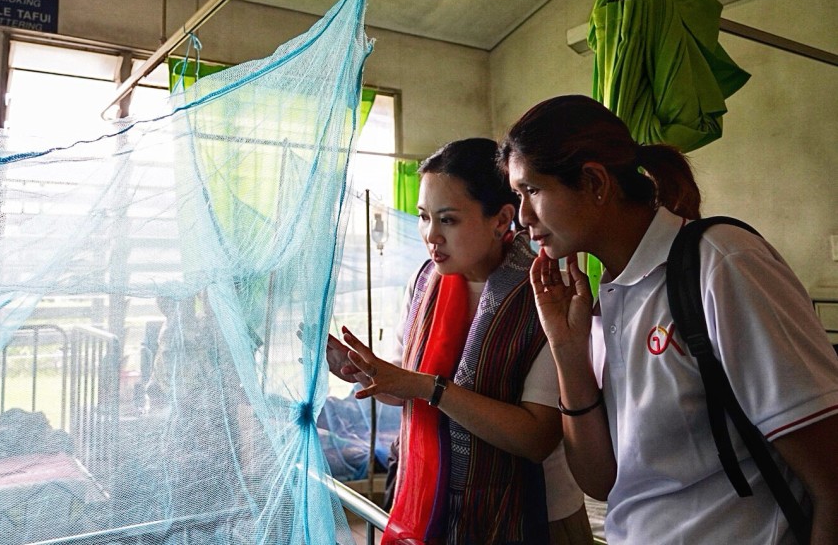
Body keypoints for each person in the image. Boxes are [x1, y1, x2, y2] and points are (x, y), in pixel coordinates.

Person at [498, 94, 838, 544]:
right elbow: (602, 482)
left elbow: (832, 479)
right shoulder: (608, 295)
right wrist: (566, 349)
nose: (522, 218)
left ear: (595, 182)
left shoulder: (720, 263)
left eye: (532, 191)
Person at [327, 138, 592, 545]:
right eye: (423, 217)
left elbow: (536, 438)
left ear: (502, 220)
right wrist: (364, 373)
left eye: (447, 220)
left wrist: (427, 388)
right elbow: (402, 392)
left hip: (532, 517)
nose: (430, 235)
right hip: (432, 503)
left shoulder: (544, 296)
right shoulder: (424, 286)